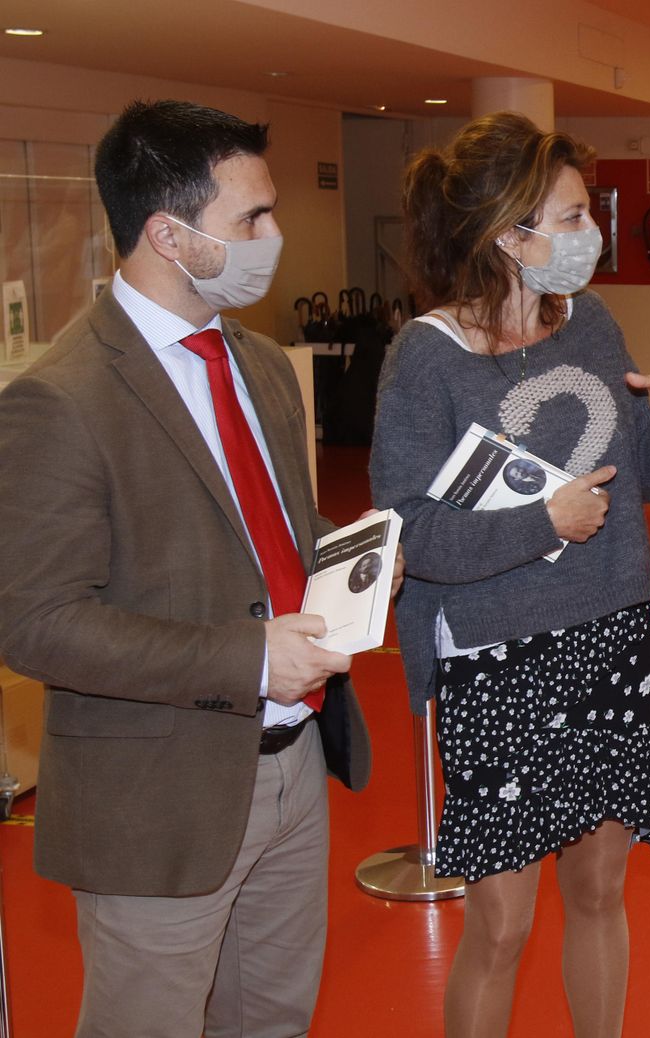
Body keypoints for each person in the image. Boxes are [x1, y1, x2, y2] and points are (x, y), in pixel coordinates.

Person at [0, 99, 377, 1036]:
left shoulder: (256, 362)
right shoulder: (61, 399)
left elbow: (273, 526)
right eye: (252, 218)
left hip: (294, 766)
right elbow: (37, 623)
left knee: (273, 1019)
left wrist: (356, 555)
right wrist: (249, 661)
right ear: (168, 235)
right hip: (159, 799)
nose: (275, 238)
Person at [369, 112, 650, 1038]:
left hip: (612, 634)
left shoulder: (589, 324)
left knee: (599, 888)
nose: (589, 231)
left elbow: (647, 479)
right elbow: (407, 532)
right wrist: (539, 524)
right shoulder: (426, 358)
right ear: (506, 235)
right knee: (503, 923)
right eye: (569, 216)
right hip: (498, 659)